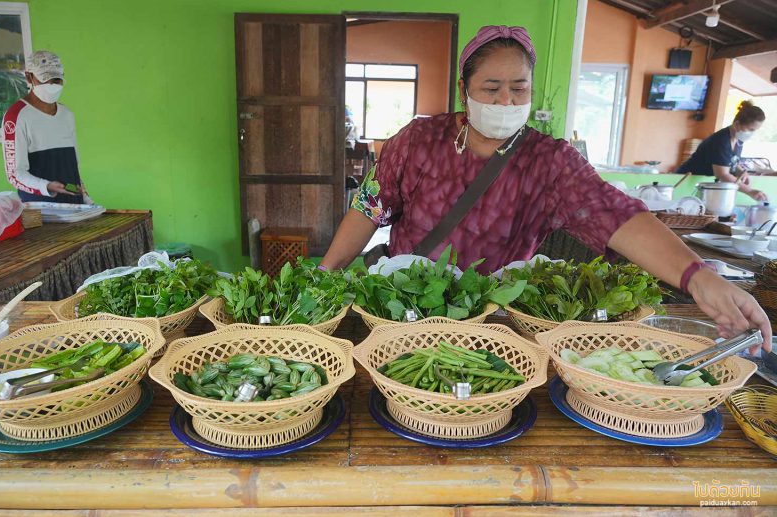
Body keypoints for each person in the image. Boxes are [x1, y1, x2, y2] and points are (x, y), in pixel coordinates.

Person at [320, 25, 771, 352]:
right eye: (491, 88)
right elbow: (370, 205)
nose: (506, 102)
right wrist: (327, 274)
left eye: (519, 89)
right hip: (403, 313)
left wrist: (698, 278)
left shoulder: (550, 161)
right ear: (464, 90)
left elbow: (615, 215)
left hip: (495, 324)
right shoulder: (418, 141)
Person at [2, 50, 91, 204]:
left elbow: (72, 165)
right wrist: (46, 186)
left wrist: (84, 196)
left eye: (57, 80)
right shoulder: (16, 116)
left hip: (74, 206)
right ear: (29, 77)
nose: (52, 85)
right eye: (45, 79)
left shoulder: (66, 115)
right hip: (39, 210)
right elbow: (15, 174)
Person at [676, 101, 767, 201]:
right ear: (736, 124)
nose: (752, 133)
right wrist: (750, 191)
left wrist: (741, 172)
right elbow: (723, 174)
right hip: (685, 182)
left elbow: (730, 161)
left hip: (700, 184)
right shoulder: (721, 141)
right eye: (751, 129)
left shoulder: (738, 140)